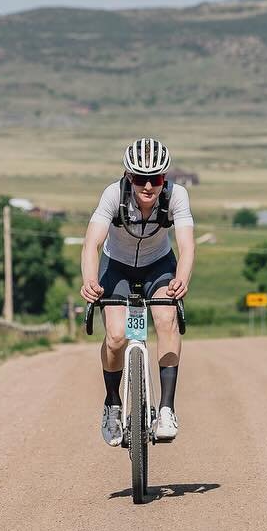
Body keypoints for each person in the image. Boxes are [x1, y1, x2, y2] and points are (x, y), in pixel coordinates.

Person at [80, 137, 195, 446]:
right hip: (115, 264)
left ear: (165, 178)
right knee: (116, 336)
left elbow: (186, 244)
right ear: (129, 177)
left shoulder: (176, 197)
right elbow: (91, 243)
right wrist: (89, 280)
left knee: (166, 319)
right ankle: (113, 404)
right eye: (140, 178)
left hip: (158, 264)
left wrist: (182, 278)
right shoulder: (112, 194)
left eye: (155, 178)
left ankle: (167, 410)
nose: (148, 186)